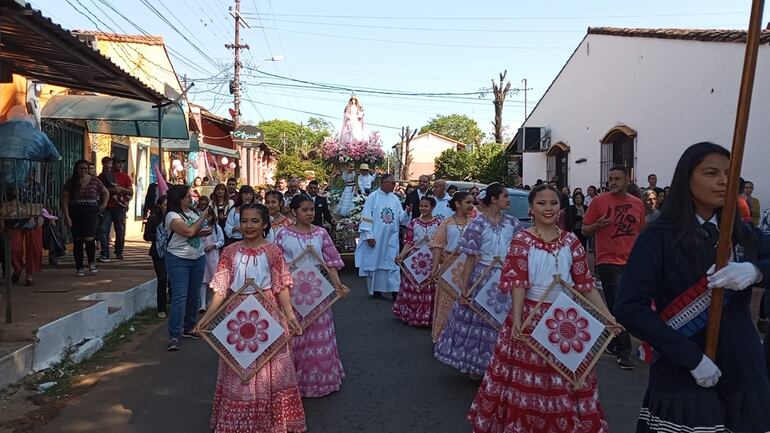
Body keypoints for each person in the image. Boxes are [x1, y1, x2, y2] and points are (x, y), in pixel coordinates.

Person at [615, 142, 770, 433]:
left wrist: (755, 271)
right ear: (687, 178)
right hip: (683, 368)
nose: (723, 180)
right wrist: (692, 358)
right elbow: (629, 307)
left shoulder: (743, 234)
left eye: (728, 172)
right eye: (711, 173)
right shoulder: (659, 238)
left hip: (742, 368)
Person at [467, 184, 612, 433]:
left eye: (553, 203)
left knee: (566, 378)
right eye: (542, 203)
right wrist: (518, 320)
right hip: (530, 318)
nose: (548, 208)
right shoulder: (522, 241)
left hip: (565, 320)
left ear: (561, 208)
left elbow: (585, 284)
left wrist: (608, 316)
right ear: (532, 209)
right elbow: (518, 283)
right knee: (527, 381)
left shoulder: (571, 241)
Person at [195, 203, 305, 433]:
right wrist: (207, 318)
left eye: (255, 221)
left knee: (270, 368)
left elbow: (280, 284)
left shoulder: (273, 251)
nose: (249, 226)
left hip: (268, 313)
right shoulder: (230, 251)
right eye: (244, 221)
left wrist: (289, 314)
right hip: (237, 313)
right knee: (239, 368)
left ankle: (273, 421)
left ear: (265, 224)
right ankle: (239, 422)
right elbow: (221, 288)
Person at [434, 183, 523, 379]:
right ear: (494, 199)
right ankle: (478, 364)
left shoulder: (513, 223)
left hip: (505, 278)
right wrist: (464, 288)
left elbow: (520, 253)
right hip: (481, 277)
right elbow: (471, 258)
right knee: (480, 322)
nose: (508, 200)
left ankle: (501, 364)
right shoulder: (478, 224)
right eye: (505, 196)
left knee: (501, 323)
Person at [275, 195, 349, 398]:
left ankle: (320, 378)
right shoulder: (282, 235)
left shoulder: (321, 233)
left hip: (318, 292)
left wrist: (338, 286)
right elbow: (276, 265)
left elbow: (332, 261)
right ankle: (292, 380)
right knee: (295, 333)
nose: (309, 213)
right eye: (305, 210)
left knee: (318, 334)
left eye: (311, 210)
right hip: (291, 293)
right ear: (294, 212)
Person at [582, 165, 645, 370]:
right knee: (619, 305)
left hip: (633, 262)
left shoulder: (637, 203)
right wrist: (597, 226)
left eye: (618, 178)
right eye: (610, 178)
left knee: (629, 305)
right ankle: (624, 351)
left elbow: (641, 232)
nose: (613, 182)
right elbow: (585, 229)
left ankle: (613, 340)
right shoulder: (599, 202)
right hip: (608, 261)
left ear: (628, 180)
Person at [164, 185, 212, 351]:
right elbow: (189, 231)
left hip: (197, 257)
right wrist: (204, 215)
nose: (191, 199)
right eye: (187, 196)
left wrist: (205, 229)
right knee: (179, 297)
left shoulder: (193, 212)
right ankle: (174, 335)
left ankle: (189, 327)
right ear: (179, 199)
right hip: (178, 259)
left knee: (194, 295)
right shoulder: (171, 216)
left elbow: (197, 230)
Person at [429, 192, 474, 342]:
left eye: (472, 202)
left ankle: (461, 339)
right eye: (468, 202)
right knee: (446, 302)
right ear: (458, 204)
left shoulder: (475, 223)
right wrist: (435, 267)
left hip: (468, 266)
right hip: (448, 265)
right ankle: (442, 337)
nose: (471, 205)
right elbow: (438, 245)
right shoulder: (447, 223)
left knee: (464, 301)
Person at [355, 174, 406, 300]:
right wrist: (369, 236)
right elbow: (366, 217)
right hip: (376, 238)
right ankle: (376, 289)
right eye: (392, 182)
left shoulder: (395, 198)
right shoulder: (373, 197)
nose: (394, 185)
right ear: (383, 183)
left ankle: (395, 290)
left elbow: (400, 218)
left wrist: (407, 212)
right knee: (376, 263)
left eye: (394, 183)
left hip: (391, 238)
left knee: (392, 263)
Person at [392, 196, 441, 327]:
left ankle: (428, 317)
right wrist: (401, 255)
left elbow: (440, 243)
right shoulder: (414, 223)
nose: (423, 209)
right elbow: (408, 242)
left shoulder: (439, 223)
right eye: (421, 206)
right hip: (415, 258)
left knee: (429, 287)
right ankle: (411, 314)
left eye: (426, 206)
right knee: (414, 287)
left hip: (431, 258)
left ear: (432, 207)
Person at [62, 160, 109, 276]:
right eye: (80, 168)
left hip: (91, 212)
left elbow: (105, 192)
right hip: (76, 212)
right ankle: (79, 267)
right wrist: (67, 216)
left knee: (89, 238)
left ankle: (91, 263)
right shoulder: (71, 182)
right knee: (78, 240)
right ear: (76, 169)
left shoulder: (94, 181)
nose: (83, 171)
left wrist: (103, 205)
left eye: (85, 169)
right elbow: (64, 200)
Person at [98, 158, 133, 262]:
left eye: (121, 163)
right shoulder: (103, 176)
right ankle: (105, 253)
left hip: (119, 207)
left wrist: (121, 189)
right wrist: (110, 191)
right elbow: (99, 189)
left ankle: (119, 251)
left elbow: (131, 192)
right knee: (104, 230)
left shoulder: (125, 176)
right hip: (107, 206)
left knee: (120, 231)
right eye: (118, 163)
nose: (120, 165)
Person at [143, 194, 169, 318]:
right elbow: (146, 236)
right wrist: (160, 237)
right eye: (164, 204)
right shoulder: (154, 219)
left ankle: (173, 304)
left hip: (172, 251)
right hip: (158, 253)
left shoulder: (173, 218)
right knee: (162, 278)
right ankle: (161, 308)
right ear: (160, 205)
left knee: (172, 279)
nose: (167, 207)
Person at [198, 196, 224, 312]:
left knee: (212, 279)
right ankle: (202, 304)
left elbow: (221, 241)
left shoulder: (216, 228)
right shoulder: (198, 229)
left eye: (209, 216)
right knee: (203, 280)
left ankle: (210, 301)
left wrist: (213, 246)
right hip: (202, 256)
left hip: (213, 257)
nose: (207, 218)